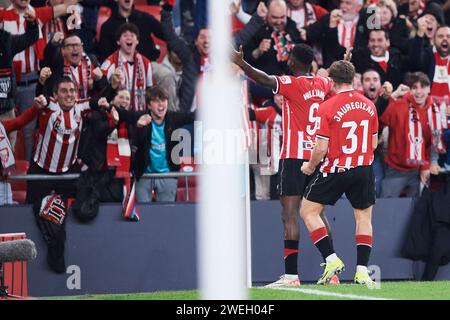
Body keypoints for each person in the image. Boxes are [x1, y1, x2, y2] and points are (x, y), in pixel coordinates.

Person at [232, 43, 339, 286]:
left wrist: (242, 64)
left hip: (293, 157)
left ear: (294, 61)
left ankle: (291, 276)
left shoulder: (292, 83)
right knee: (318, 214)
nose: (287, 60)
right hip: (317, 157)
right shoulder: (322, 85)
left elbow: (265, 79)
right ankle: (332, 273)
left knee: (289, 214)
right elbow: (335, 87)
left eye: (290, 57)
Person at [299, 60, 378, 287]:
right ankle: (362, 271)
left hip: (337, 168)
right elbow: (373, 143)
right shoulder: (369, 105)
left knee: (308, 211)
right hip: (363, 168)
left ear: (332, 82)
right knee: (363, 218)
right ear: (354, 79)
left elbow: (321, 147)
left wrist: (310, 167)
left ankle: (331, 259)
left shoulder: (328, 106)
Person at [26, 77, 91, 273]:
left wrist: (110, 89)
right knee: (32, 209)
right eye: (64, 91)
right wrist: (41, 88)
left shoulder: (81, 107)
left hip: (68, 170)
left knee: (87, 199)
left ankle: (67, 239)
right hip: (41, 169)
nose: (69, 94)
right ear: (55, 95)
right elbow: (41, 97)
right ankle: (35, 251)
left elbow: (99, 101)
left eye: (72, 90)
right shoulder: (48, 105)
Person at [380, 72, 438, 198]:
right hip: (395, 169)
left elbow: (430, 144)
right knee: (387, 211)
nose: (418, 92)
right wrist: (392, 96)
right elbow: (379, 121)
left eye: (422, 87)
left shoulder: (433, 111)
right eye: (414, 87)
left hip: (417, 170)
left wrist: (425, 167)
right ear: (410, 90)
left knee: (416, 213)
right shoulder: (399, 105)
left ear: (429, 88)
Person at [133, 86, 196, 202]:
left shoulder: (173, 117)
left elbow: (193, 116)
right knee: (142, 215)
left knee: (166, 215)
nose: (161, 105)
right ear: (149, 105)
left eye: (163, 100)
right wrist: (139, 127)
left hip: (168, 175)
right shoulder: (141, 118)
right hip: (144, 175)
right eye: (156, 101)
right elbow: (123, 116)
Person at [101, 23, 154, 112]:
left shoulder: (146, 63)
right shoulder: (110, 62)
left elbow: (149, 90)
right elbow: (102, 88)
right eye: (125, 35)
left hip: (139, 113)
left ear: (137, 41)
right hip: (116, 113)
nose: (129, 38)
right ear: (118, 41)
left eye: (132, 35)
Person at [95, 0, 165, 62]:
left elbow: (166, 35)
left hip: (149, 65)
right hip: (120, 70)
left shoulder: (145, 18)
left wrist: (167, 11)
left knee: (166, 75)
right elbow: (105, 58)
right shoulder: (108, 26)